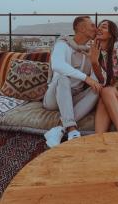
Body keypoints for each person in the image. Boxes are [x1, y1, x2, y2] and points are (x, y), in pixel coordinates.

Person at [43, 16, 102, 147]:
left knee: (97, 89)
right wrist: (86, 78)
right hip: (54, 98)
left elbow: (97, 81)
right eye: (92, 25)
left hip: (74, 98)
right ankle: (71, 129)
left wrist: (94, 61)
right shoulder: (62, 44)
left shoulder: (90, 51)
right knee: (63, 78)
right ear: (81, 28)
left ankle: (60, 128)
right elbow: (57, 65)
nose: (96, 28)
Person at [89, 20, 118, 133]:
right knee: (104, 96)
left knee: (106, 92)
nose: (99, 29)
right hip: (110, 94)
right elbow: (104, 81)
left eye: (103, 27)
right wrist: (94, 63)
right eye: (98, 26)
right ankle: (99, 144)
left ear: (110, 34)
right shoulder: (96, 52)